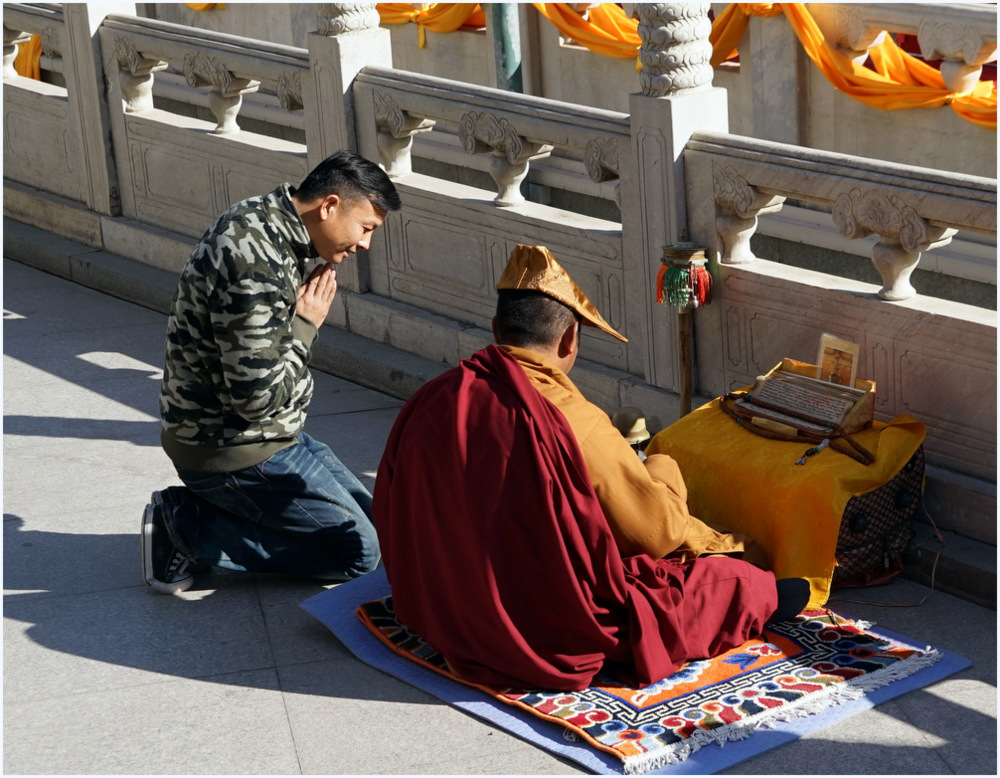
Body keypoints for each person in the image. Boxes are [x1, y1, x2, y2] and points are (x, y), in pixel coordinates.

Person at [373, 244, 808, 691]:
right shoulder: (573, 419)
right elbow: (657, 534)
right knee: (732, 578)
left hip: (441, 604)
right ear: (569, 340)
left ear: (495, 330)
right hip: (539, 625)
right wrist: (660, 470)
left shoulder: (435, 396)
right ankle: (764, 597)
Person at [142, 150, 402, 594]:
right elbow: (254, 400)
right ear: (329, 206)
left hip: (270, 435)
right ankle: (184, 525)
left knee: (382, 526)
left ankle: (217, 516)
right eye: (366, 228)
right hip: (230, 448)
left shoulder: (269, 220)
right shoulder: (254, 261)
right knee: (360, 552)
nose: (364, 245)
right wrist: (305, 326)